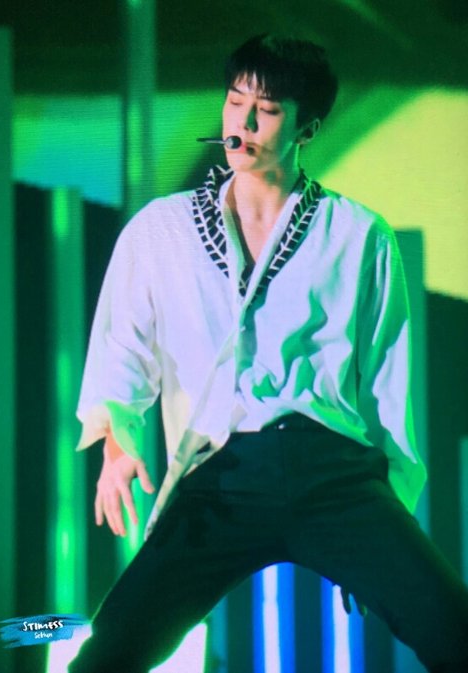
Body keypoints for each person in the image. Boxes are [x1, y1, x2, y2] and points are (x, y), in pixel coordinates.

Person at [69, 34, 468, 673]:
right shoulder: (160, 230)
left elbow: (386, 391)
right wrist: (117, 445)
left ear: (307, 128)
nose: (244, 124)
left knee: (452, 628)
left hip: (333, 474)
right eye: (235, 102)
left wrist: (387, 520)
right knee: (109, 652)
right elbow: (122, 352)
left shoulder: (359, 235)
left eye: (268, 110)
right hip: (220, 473)